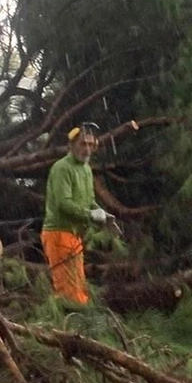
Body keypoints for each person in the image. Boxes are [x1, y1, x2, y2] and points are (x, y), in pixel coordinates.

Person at [41, 126, 114, 305]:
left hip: (75, 235)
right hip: (58, 233)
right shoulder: (62, 168)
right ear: (72, 144)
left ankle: (78, 327)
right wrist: (90, 215)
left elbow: (89, 200)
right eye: (83, 143)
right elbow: (63, 204)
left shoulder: (86, 169)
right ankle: (63, 328)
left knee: (79, 286)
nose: (87, 149)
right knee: (67, 291)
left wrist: (103, 214)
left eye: (91, 144)